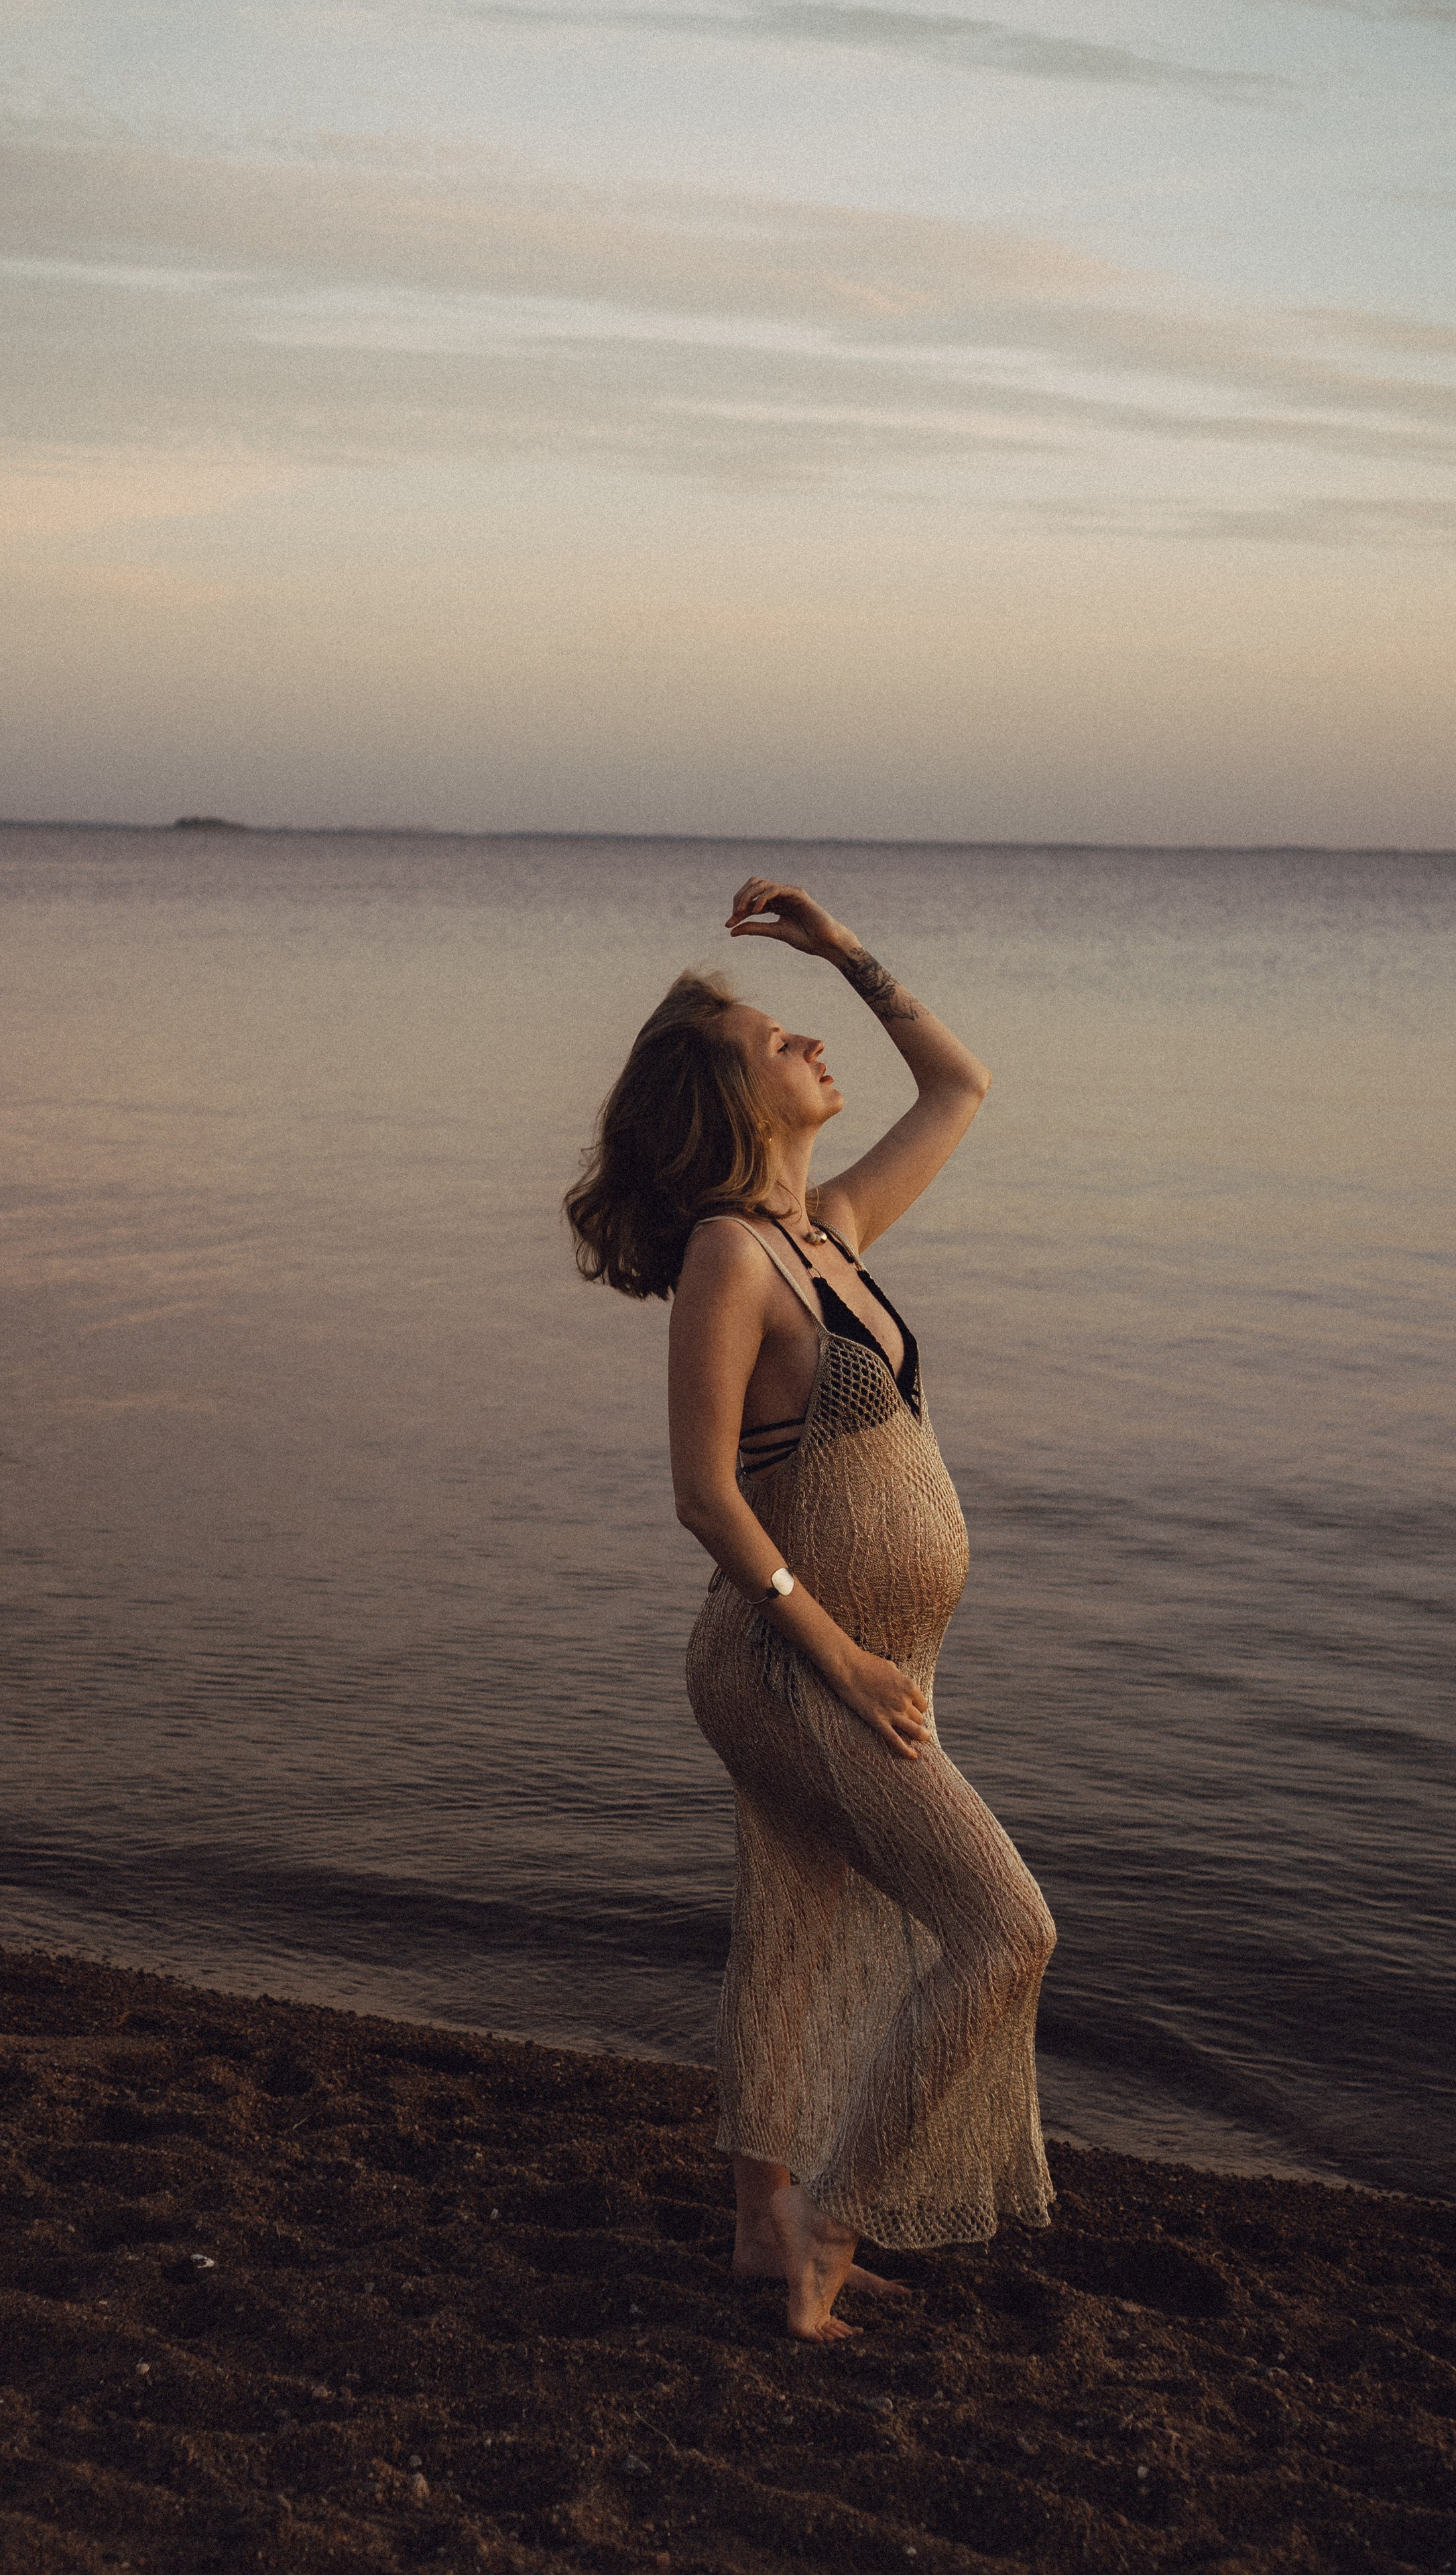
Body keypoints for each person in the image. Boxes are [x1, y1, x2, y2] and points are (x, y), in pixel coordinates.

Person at [565, 876, 1056, 2342]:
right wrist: (831, 1646)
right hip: (795, 1665)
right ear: (725, 1089)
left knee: (789, 1920)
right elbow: (704, 1496)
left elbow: (958, 1082)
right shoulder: (729, 1251)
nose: (814, 1049)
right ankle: (829, 2239)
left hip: (862, 1654)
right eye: (783, 1038)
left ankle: (755, 2228)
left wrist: (842, 952)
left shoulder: (825, 1230)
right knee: (1004, 1932)